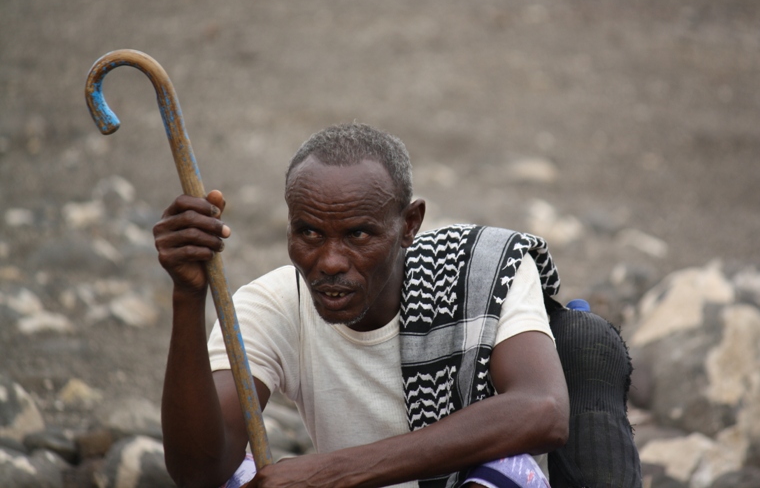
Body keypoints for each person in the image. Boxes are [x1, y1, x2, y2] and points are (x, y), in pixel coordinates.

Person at [155, 123, 570, 488]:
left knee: (507, 470)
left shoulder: (484, 271)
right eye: (309, 233)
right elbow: (200, 472)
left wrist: (333, 473)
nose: (330, 262)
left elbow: (543, 409)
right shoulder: (276, 305)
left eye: (357, 235)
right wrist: (188, 296)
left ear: (409, 224)